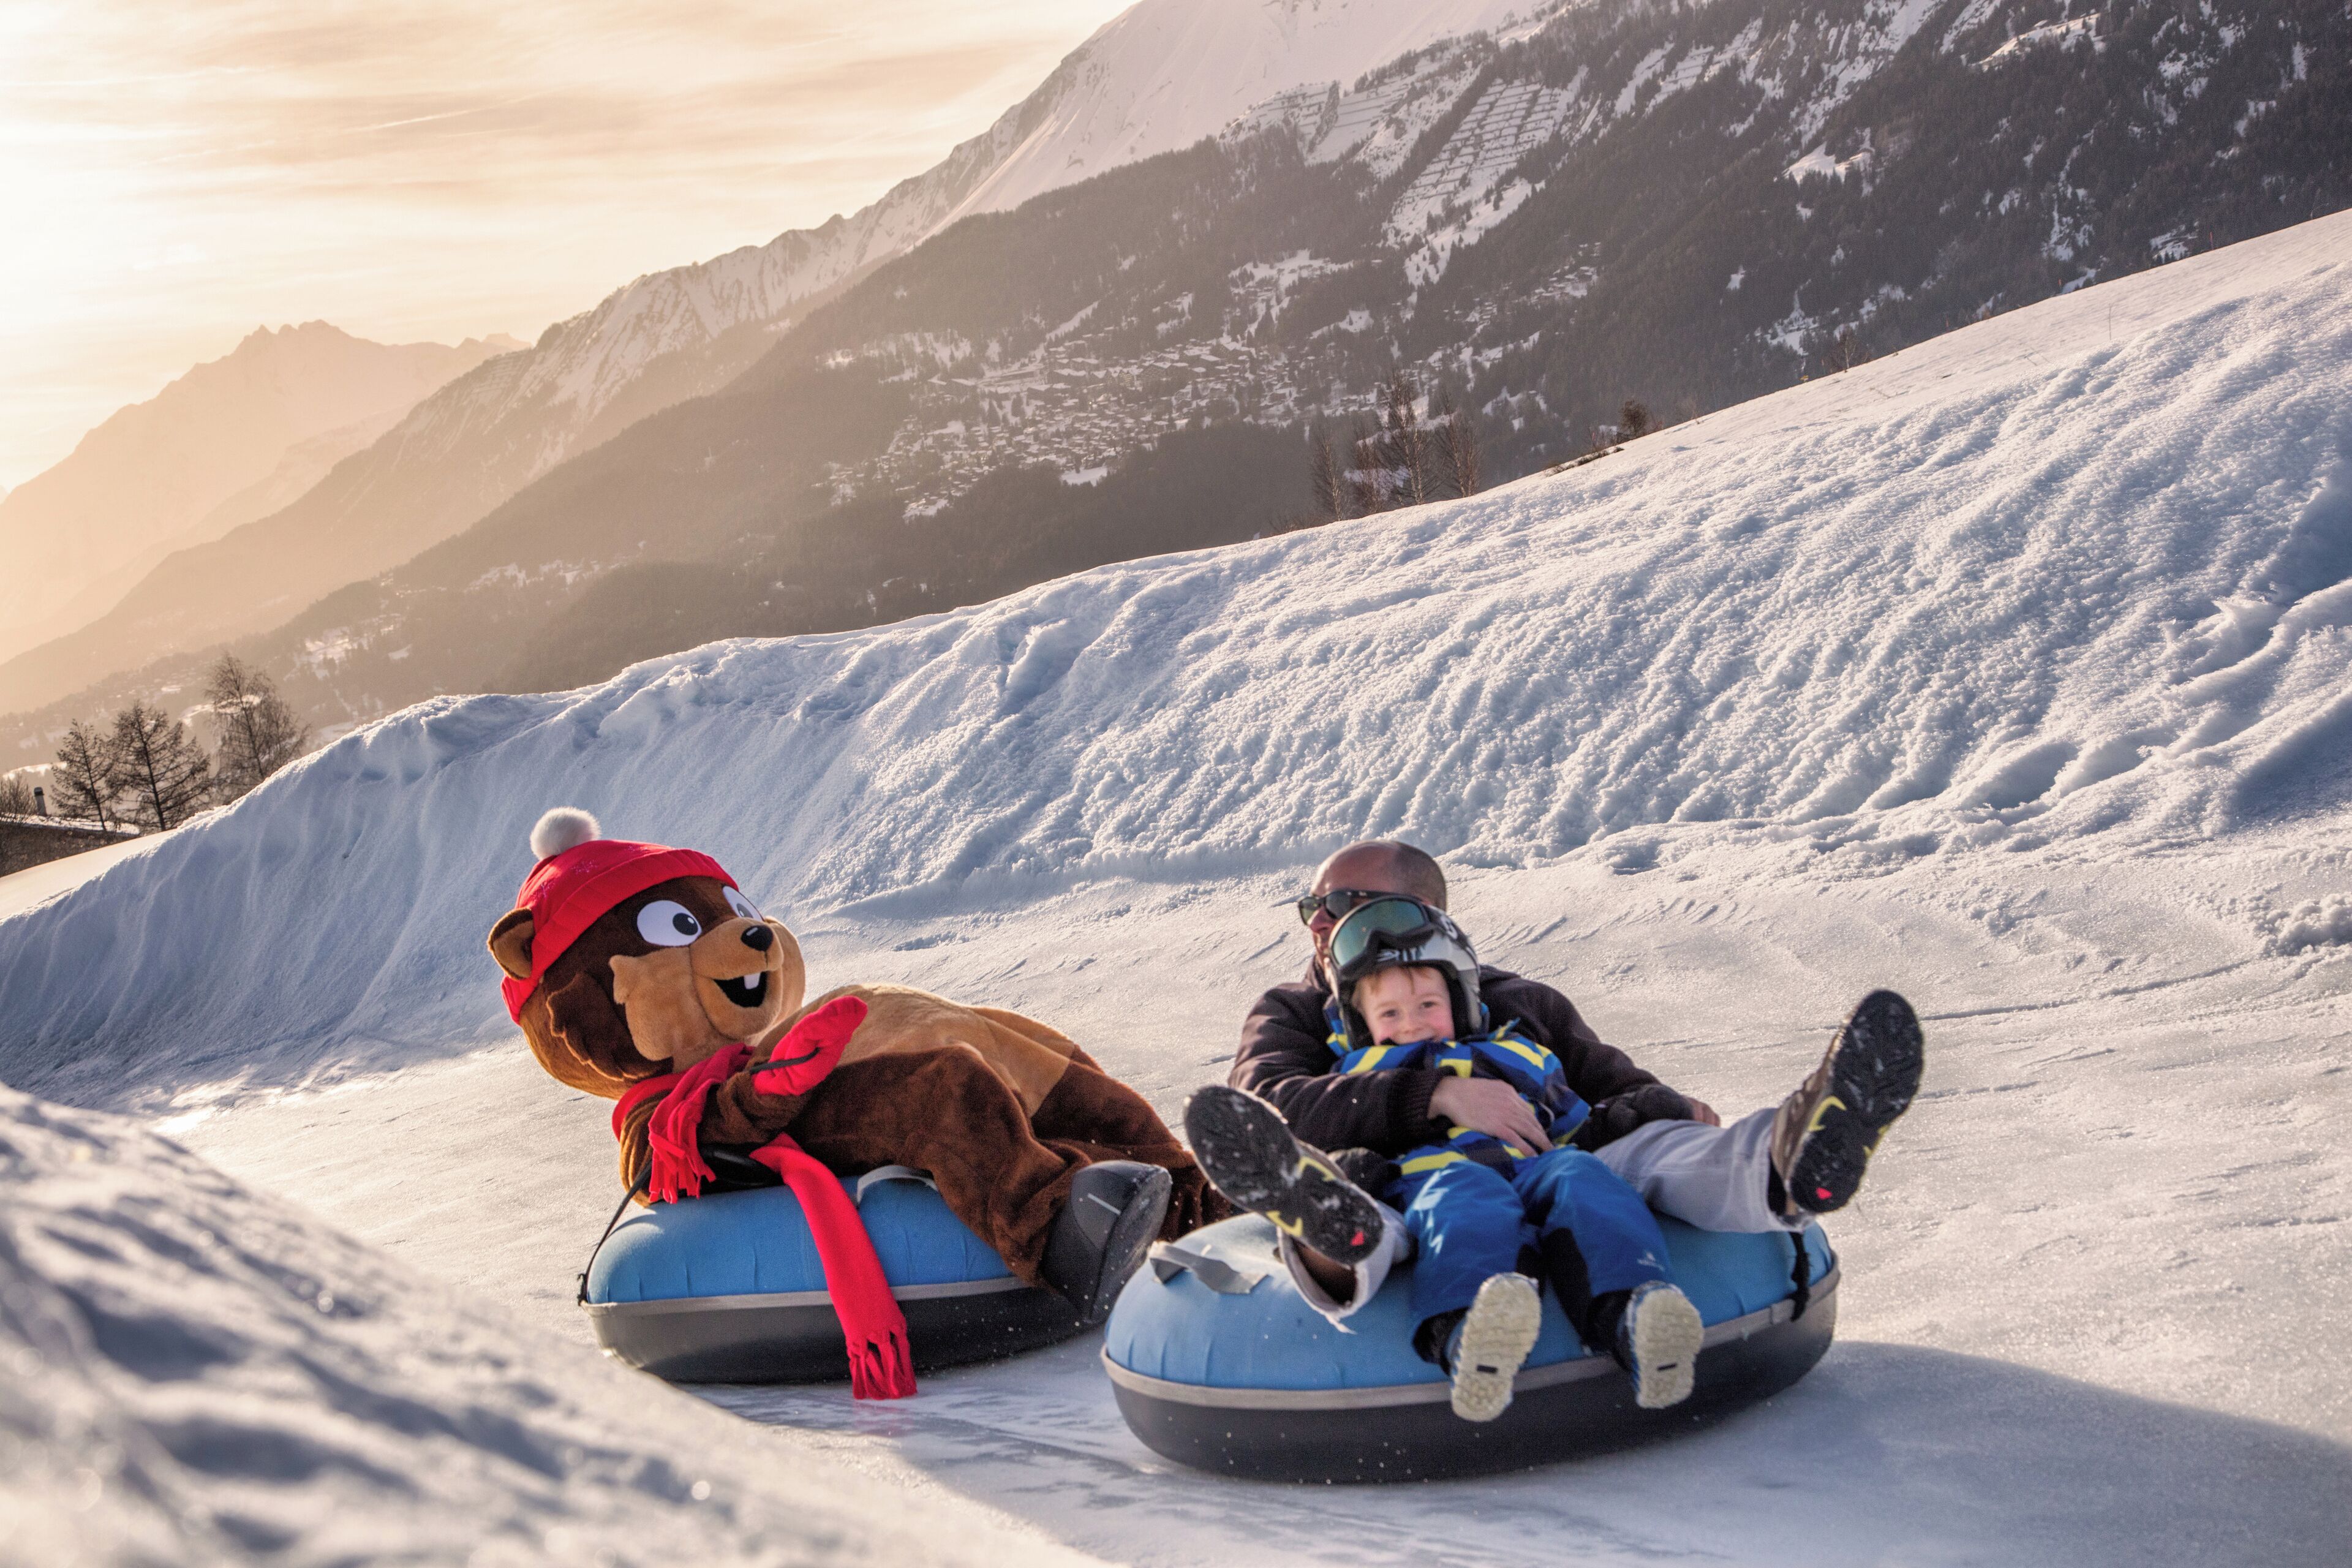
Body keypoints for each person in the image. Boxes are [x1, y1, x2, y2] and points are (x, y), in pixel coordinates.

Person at [1188, 839, 1925, 1419]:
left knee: (1641, 1154)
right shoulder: (1297, 1010)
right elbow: (1267, 1100)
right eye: (1312, 905)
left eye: (1345, 902)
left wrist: (1667, 1106)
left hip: (1548, 1156)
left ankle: (1783, 1159)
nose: (1320, 921)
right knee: (1376, 1198)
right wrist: (1434, 1095)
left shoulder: (1514, 1001)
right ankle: (1333, 1236)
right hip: (1402, 1179)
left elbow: (1609, 1081)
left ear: (1424, 912)